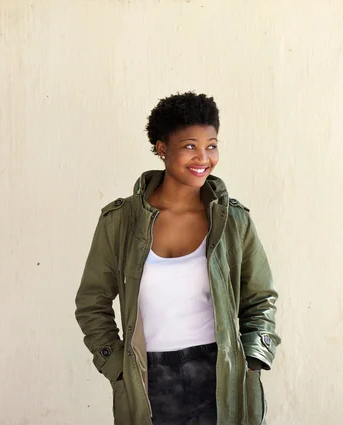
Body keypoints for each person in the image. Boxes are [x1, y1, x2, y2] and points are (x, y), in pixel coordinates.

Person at [75, 92, 280, 425]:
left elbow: (260, 298)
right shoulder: (120, 222)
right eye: (189, 146)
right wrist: (116, 367)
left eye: (211, 145)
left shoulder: (233, 221)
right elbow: (92, 301)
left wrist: (254, 358)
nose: (203, 157)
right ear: (162, 149)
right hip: (149, 377)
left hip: (219, 376)